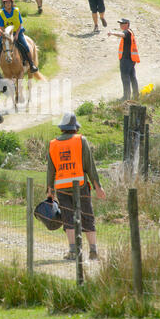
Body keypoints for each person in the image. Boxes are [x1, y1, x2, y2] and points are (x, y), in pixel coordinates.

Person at [47, 112, 106, 261]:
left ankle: (73, 252)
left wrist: (50, 190)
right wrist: (98, 186)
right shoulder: (81, 140)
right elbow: (90, 166)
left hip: (61, 188)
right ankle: (93, 252)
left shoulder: (53, 144)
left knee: (68, 219)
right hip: (80, 186)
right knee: (87, 216)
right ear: (75, 128)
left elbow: (51, 170)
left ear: (62, 128)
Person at [0, 0, 38, 73]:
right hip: (6, 33)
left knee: (25, 46)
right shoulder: (1, 13)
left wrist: (17, 34)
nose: (8, 4)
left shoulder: (16, 11)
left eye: (9, 2)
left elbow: (20, 24)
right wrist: (6, 34)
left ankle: (31, 64)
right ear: (4, 4)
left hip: (17, 32)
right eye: (6, 3)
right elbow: (1, 26)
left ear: (11, 3)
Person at [108, 18, 140, 101]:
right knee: (132, 77)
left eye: (122, 23)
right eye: (120, 24)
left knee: (125, 78)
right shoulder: (131, 32)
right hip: (131, 60)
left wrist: (112, 33)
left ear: (127, 24)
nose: (120, 25)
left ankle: (126, 97)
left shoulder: (126, 32)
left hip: (126, 60)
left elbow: (122, 34)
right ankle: (136, 96)